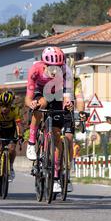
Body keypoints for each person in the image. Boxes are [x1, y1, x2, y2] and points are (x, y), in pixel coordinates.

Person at [25, 46, 74, 193]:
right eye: (52, 67)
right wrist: (32, 103)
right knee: (42, 104)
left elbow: (67, 95)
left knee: (56, 134)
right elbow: (28, 97)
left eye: (58, 67)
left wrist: (68, 103)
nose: (55, 71)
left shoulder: (67, 71)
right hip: (40, 92)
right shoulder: (35, 70)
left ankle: (56, 176)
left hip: (58, 94)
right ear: (45, 64)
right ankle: (32, 142)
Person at [0, 91, 23, 183]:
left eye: (7, 106)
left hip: (10, 130)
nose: (5, 108)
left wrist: (20, 135)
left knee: (11, 148)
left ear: (11, 105)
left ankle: (10, 167)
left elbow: (19, 125)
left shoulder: (15, 110)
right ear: (0, 104)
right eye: (3, 105)